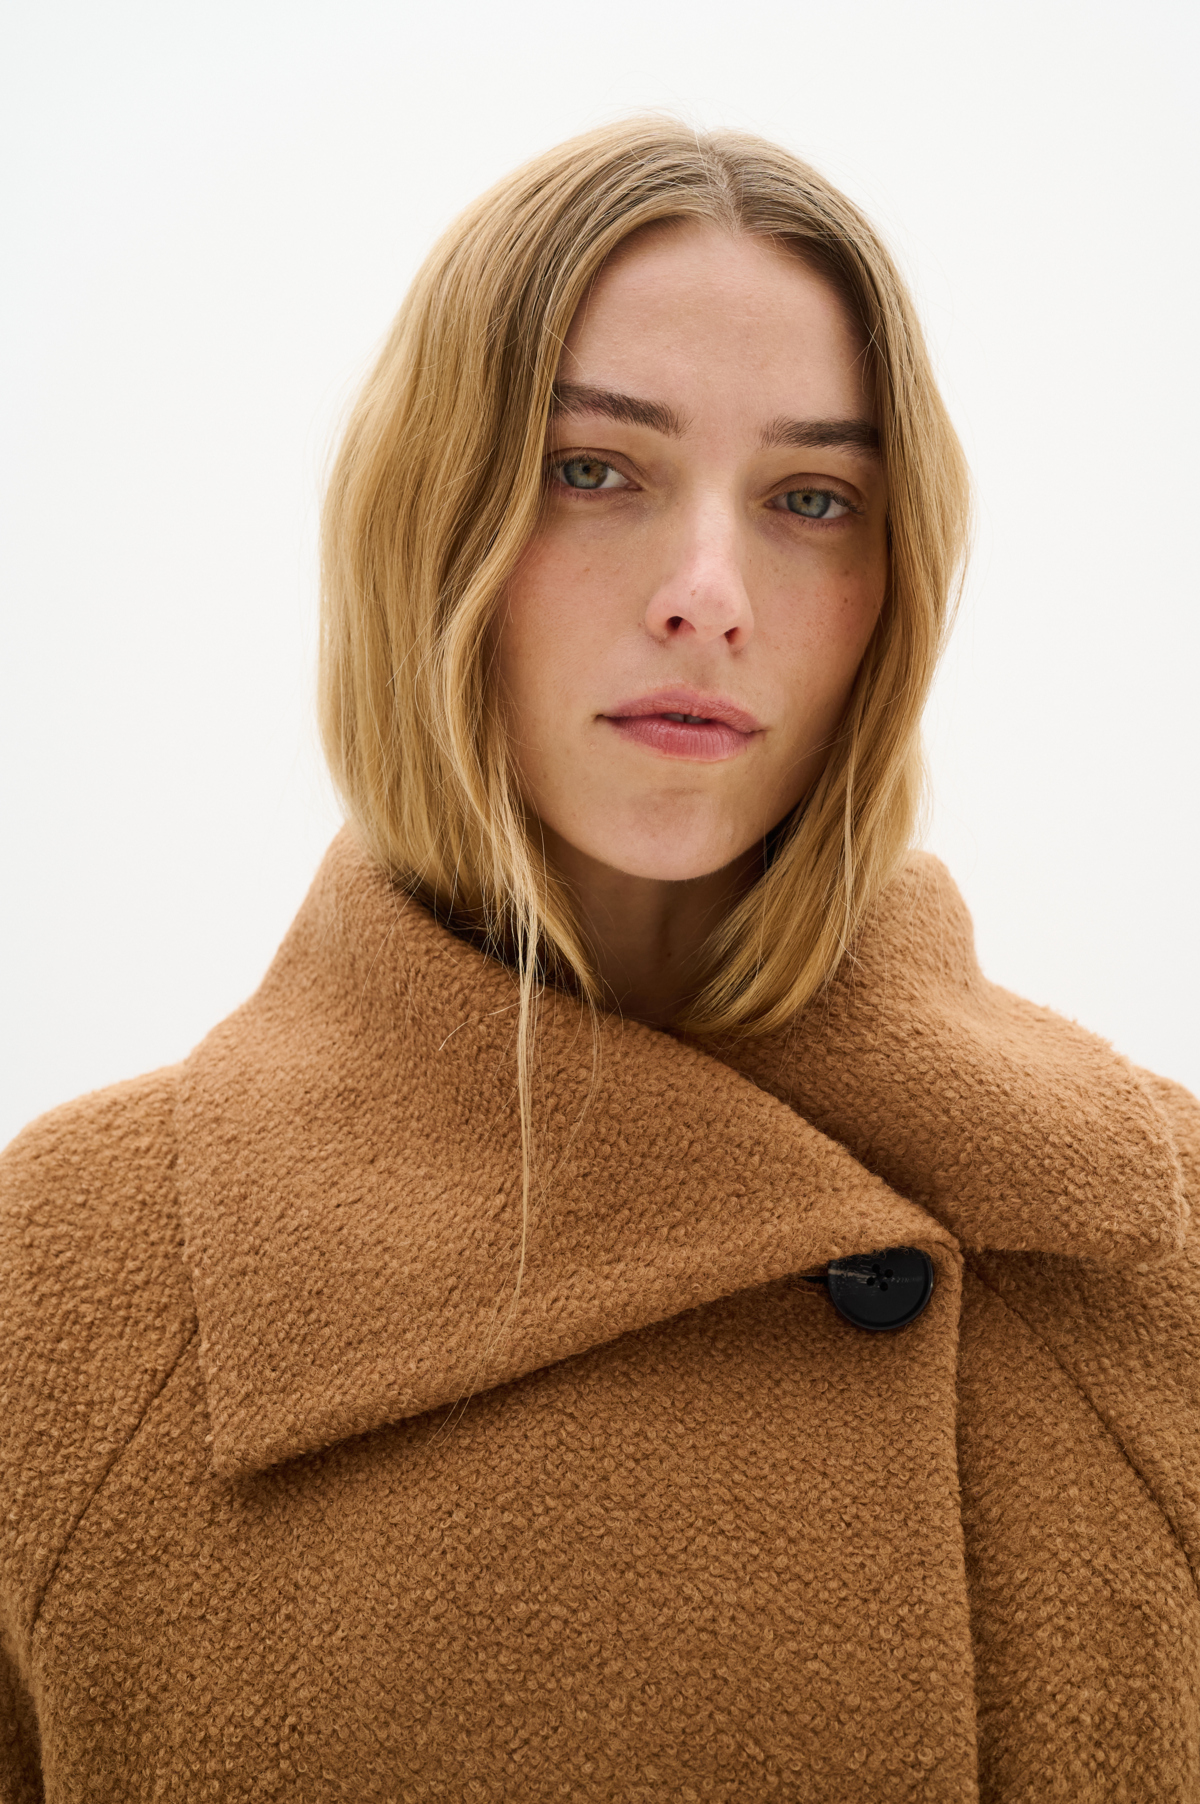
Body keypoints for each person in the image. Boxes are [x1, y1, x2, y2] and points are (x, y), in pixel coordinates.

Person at [1, 117, 1197, 1804]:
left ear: (898, 588)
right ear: (430, 522)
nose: (709, 593)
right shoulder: (70, 1291)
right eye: (594, 469)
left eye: (811, 499)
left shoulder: (1148, 1251)